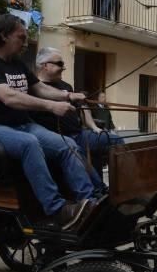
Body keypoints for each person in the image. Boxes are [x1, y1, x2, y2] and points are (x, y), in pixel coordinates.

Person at [0, 15, 100, 231]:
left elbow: (38, 88)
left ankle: (89, 203)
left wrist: (67, 96)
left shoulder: (16, 62)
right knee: (29, 144)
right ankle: (57, 210)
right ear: (3, 36)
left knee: (67, 144)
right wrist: (51, 106)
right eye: (21, 37)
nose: (25, 42)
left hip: (23, 124)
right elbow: (10, 97)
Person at [32, 47, 123, 180]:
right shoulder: (34, 88)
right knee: (77, 153)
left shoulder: (67, 86)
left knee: (115, 140)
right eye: (60, 64)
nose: (63, 68)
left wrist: (94, 127)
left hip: (79, 135)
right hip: (58, 139)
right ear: (45, 65)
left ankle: (121, 189)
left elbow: (83, 107)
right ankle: (98, 190)